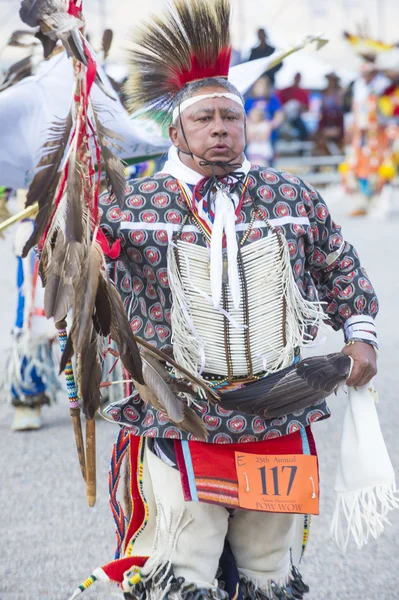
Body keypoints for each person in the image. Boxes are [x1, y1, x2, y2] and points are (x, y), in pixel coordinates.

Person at [68, 1, 378, 598]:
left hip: (278, 405)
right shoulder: (134, 205)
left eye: (230, 118)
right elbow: (84, 299)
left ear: (246, 125)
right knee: (184, 563)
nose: (220, 130)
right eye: (205, 118)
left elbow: (340, 264)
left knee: (269, 566)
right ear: (175, 131)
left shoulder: (287, 194)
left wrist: (359, 337)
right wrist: (87, 250)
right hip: (180, 410)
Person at [245, 77, 284, 164]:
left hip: (269, 137)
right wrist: (250, 128)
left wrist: (271, 125)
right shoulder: (249, 101)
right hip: (252, 137)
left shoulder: (272, 100)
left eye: (263, 86)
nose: (260, 88)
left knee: (268, 161)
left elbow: (279, 114)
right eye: (258, 86)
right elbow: (244, 117)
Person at [316, 72, 344, 153]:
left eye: (332, 80)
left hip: (336, 121)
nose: (330, 82)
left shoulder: (339, 92)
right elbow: (322, 109)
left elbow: (340, 108)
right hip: (326, 120)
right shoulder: (324, 92)